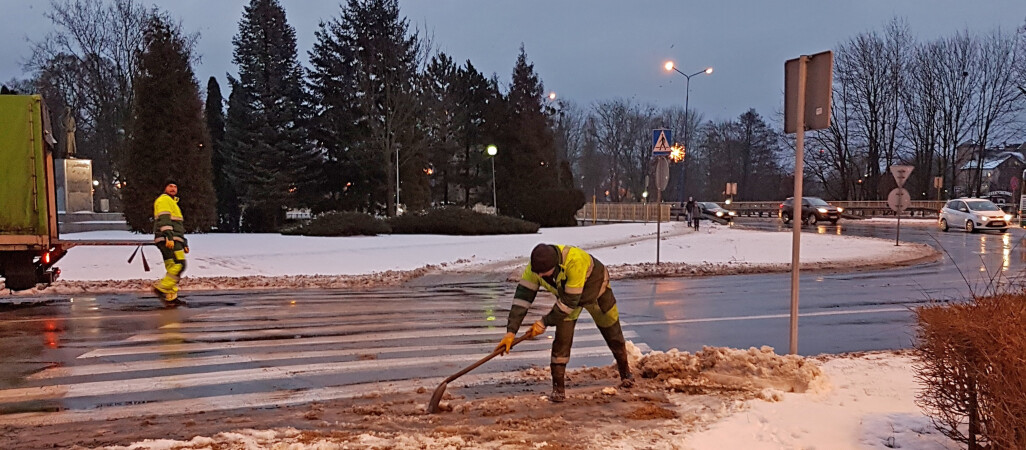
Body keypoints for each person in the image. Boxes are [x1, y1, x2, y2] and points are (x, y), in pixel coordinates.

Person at [495, 243, 634, 402]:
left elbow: (569, 303)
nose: (539, 276)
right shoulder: (535, 269)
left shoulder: (575, 262)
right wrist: (511, 332)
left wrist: (543, 322)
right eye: (537, 273)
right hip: (567, 298)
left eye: (543, 273)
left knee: (612, 332)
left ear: (555, 266)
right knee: (562, 340)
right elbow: (522, 299)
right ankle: (558, 390)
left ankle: (626, 373)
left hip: (596, 294)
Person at [152, 180, 188, 303]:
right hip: (169, 239)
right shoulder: (164, 200)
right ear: (164, 188)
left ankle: (170, 296)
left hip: (172, 239)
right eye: (170, 186)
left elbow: (177, 225)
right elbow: (164, 219)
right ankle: (162, 287)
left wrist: (184, 242)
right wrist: (169, 237)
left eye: (175, 186)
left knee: (172, 266)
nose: (173, 188)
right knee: (180, 264)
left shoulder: (172, 202)